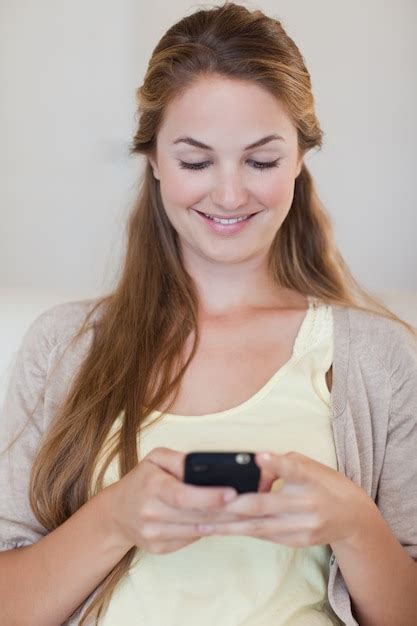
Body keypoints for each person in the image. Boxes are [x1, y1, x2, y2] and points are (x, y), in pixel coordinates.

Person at [1, 2, 416, 625]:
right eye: (196, 161)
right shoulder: (65, 345)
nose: (228, 194)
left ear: (301, 158)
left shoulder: (375, 357)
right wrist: (113, 519)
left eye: (262, 160)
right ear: (154, 161)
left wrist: (356, 525)